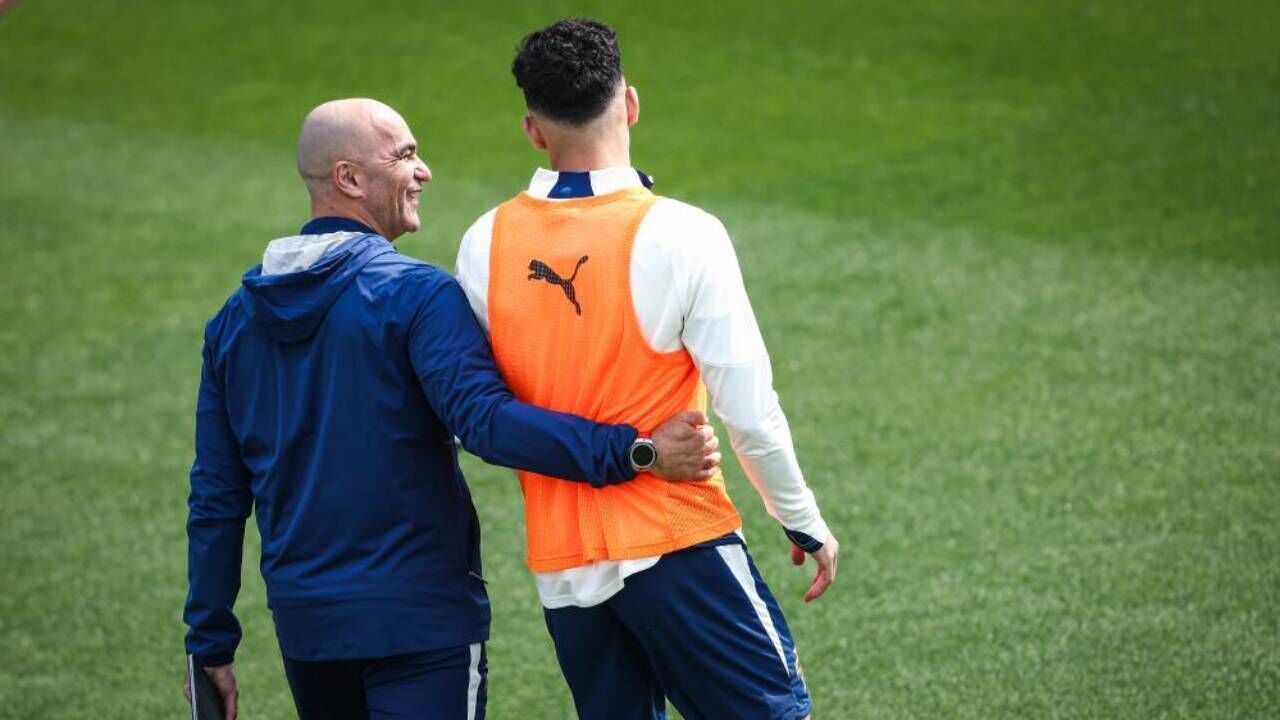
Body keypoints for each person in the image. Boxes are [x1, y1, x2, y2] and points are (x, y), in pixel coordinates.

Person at [182, 98, 721, 720]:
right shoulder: (416, 296)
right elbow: (488, 424)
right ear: (349, 179)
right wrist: (637, 450)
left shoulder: (231, 324)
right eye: (404, 155)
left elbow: (217, 497)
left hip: (310, 632)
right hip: (422, 626)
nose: (424, 171)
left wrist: (209, 645)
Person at [454, 19, 840, 720]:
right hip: (678, 546)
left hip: (565, 574)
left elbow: (492, 414)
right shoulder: (684, 233)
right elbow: (748, 413)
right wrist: (801, 519)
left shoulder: (484, 243)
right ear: (630, 103)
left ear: (533, 130)